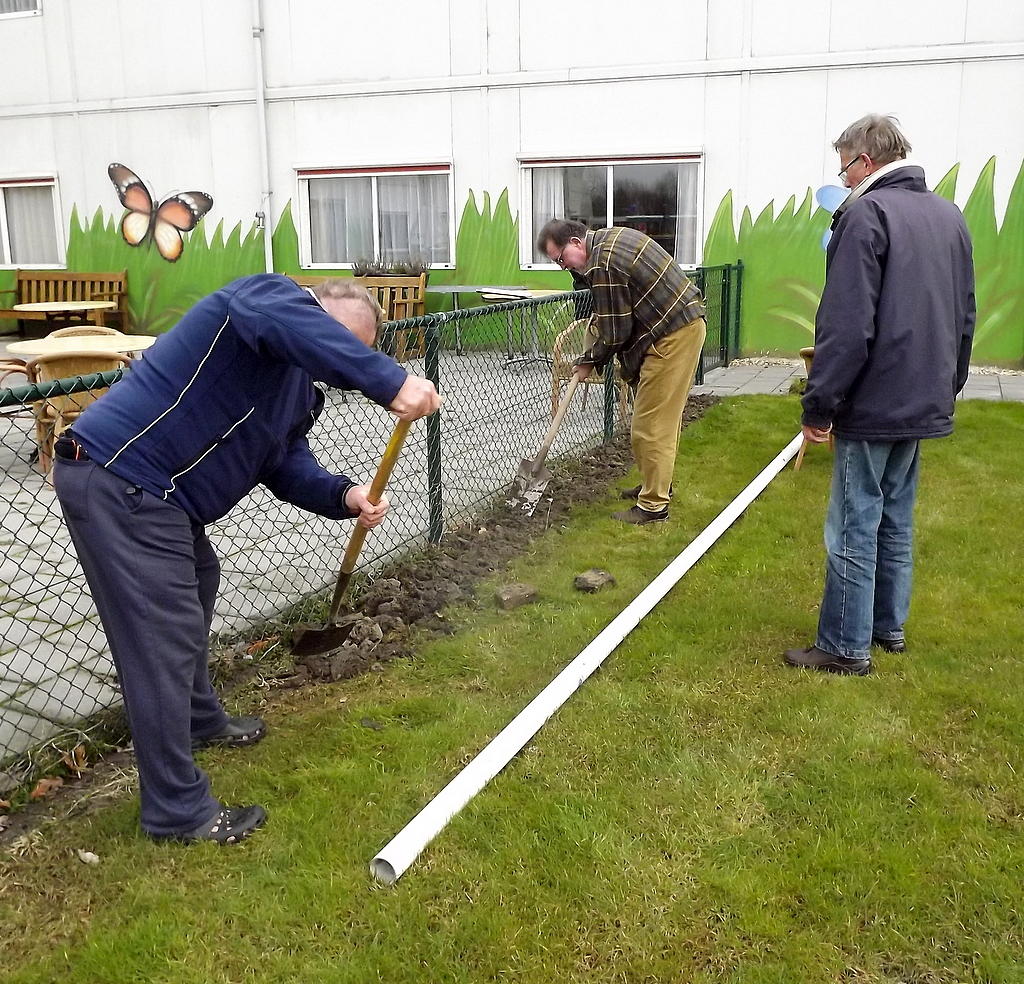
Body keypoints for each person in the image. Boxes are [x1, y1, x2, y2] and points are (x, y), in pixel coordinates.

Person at [53, 275, 440, 843]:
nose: (336, 365)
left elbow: (283, 462)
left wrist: (344, 495)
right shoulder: (261, 300)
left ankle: (198, 719)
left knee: (198, 583)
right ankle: (176, 811)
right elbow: (275, 318)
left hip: (161, 498)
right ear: (311, 313)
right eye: (338, 344)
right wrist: (390, 380)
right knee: (161, 644)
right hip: (118, 476)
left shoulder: (298, 390)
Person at [784, 114, 975, 676]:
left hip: (873, 400)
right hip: (923, 394)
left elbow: (846, 324)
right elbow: (965, 313)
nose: (843, 178)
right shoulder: (948, 215)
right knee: (895, 517)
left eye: (844, 167)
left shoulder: (865, 213)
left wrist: (819, 405)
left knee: (854, 521)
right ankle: (887, 626)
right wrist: (949, 384)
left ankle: (845, 645)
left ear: (865, 161)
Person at [536, 219, 706, 525]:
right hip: (677, 325)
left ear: (575, 242)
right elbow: (614, 312)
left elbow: (617, 331)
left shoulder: (603, 263)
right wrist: (592, 351)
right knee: (658, 420)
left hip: (673, 334)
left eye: (561, 259)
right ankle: (656, 484)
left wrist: (590, 360)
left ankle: (653, 506)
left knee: (651, 424)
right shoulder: (608, 241)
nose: (563, 267)